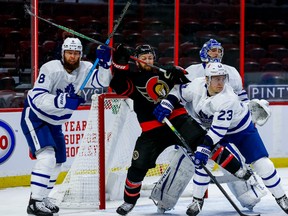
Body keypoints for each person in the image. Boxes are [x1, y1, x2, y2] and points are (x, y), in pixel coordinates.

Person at [110, 44, 252, 215]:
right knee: (138, 165)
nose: (148, 61)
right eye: (143, 58)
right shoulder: (131, 79)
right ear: (136, 61)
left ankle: (238, 169)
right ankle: (129, 202)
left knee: (205, 142)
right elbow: (118, 85)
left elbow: (191, 86)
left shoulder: (164, 72)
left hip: (178, 120)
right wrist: (120, 63)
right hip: (151, 129)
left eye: (150, 57)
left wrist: (178, 73)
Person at [154, 62, 288, 215]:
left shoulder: (227, 99)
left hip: (241, 129)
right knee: (203, 164)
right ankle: (197, 201)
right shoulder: (196, 85)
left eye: (222, 78)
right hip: (213, 129)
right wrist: (167, 103)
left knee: (263, 165)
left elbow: (217, 131)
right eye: (216, 78)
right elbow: (178, 91)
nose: (220, 82)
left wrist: (204, 147)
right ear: (207, 79)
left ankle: (281, 197)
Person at [20, 37, 112, 216]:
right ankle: (34, 202)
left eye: (76, 53)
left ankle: (43, 197)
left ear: (80, 55)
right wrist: (62, 100)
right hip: (36, 117)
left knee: (59, 162)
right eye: (69, 53)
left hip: (56, 123)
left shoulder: (86, 68)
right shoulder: (50, 68)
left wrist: (105, 64)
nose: (72, 56)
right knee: (47, 157)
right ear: (63, 53)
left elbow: (102, 83)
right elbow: (37, 97)